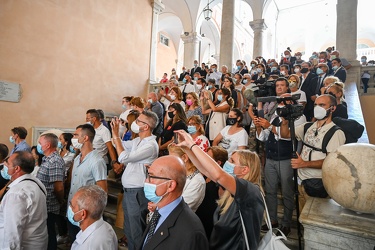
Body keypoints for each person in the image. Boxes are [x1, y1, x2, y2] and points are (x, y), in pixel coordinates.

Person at [175, 130, 264, 250]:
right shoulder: (234, 187)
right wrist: (186, 148)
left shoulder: (249, 190)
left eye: (232, 161)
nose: (228, 162)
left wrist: (192, 144)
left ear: (244, 170)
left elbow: (218, 175)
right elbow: (205, 170)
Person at [280, 94, 346, 210]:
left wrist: (304, 164)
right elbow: (286, 134)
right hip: (301, 180)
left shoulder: (336, 133)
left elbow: (332, 162)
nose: (317, 108)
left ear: (333, 108)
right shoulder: (308, 126)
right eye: (316, 105)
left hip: (317, 183)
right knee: (302, 215)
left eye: (322, 105)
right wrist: (285, 122)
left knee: (315, 216)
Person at [255, 91, 306, 237]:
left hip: (285, 159)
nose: (281, 102)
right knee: (270, 191)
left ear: (292, 101)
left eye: (284, 100)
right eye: (280, 100)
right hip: (271, 158)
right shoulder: (276, 115)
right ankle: (273, 219)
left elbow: (288, 136)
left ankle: (286, 223)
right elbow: (264, 136)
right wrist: (259, 126)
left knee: (287, 192)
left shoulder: (299, 116)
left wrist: (269, 126)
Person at [111, 110, 159, 250]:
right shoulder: (138, 140)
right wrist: (116, 133)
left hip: (138, 192)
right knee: (129, 229)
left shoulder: (150, 145)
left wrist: (116, 137)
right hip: (130, 191)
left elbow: (123, 158)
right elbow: (120, 147)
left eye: (138, 121)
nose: (135, 123)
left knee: (136, 231)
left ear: (146, 126)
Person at [138, 155, 208, 250]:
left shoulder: (191, 232)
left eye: (151, 176)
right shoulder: (159, 211)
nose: (146, 181)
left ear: (170, 185)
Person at [68, 124, 108, 242]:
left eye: (76, 135)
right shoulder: (77, 158)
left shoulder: (97, 161)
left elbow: (103, 190)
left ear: (85, 138)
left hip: (86, 213)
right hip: (73, 209)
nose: (73, 138)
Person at [0, 151, 48, 249]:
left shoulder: (16, 194)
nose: (5, 164)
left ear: (17, 169)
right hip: (38, 242)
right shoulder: (36, 182)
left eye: (8, 163)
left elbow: (12, 234)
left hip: (26, 245)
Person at [35, 133, 65, 250]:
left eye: (40, 143)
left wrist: (60, 201)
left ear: (47, 145)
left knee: (49, 234)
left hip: (50, 205)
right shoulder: (47, 159)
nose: (38, 145)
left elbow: (59, 187)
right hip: (43, 203)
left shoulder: (55, 161)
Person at [70, 185, 117, 250]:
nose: (70, 208)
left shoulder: (88, 246)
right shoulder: (108, 227)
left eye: (72, 206)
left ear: (83, 214)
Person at [195, 146, 228, 239]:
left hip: (211, 219)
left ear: (218, 163)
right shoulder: (205, 173)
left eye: (208, 157)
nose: (204, 159)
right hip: (199, 215)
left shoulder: (222, 181)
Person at [168, 145, 205, 212]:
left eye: (173, 159)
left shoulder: (197, 181)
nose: (170, 162)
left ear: (184, 158)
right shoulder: (177, 173)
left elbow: (181, 207)